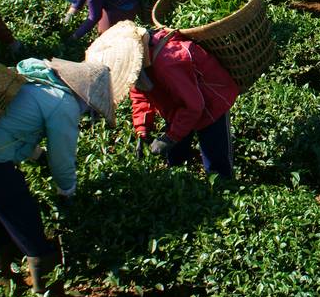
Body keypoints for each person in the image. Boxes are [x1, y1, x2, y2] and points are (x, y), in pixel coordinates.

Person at [0, 57, 114, 297]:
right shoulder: (64, 104)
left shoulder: (37, 84)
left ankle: (4, 280)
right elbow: (62, 158)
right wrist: (67, 191)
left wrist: (37, 154)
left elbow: (15, 126)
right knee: (26, 222)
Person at [88, 21, 239, 179]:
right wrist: (143, 130)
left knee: (215, 161)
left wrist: (170, 137)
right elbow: (141, 93)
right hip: (178, 105)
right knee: (175, 158)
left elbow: (193, 107)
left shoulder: (169, 62)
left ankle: (223, 188)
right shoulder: (138, 65)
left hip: (211, 104)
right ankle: (185, 186)